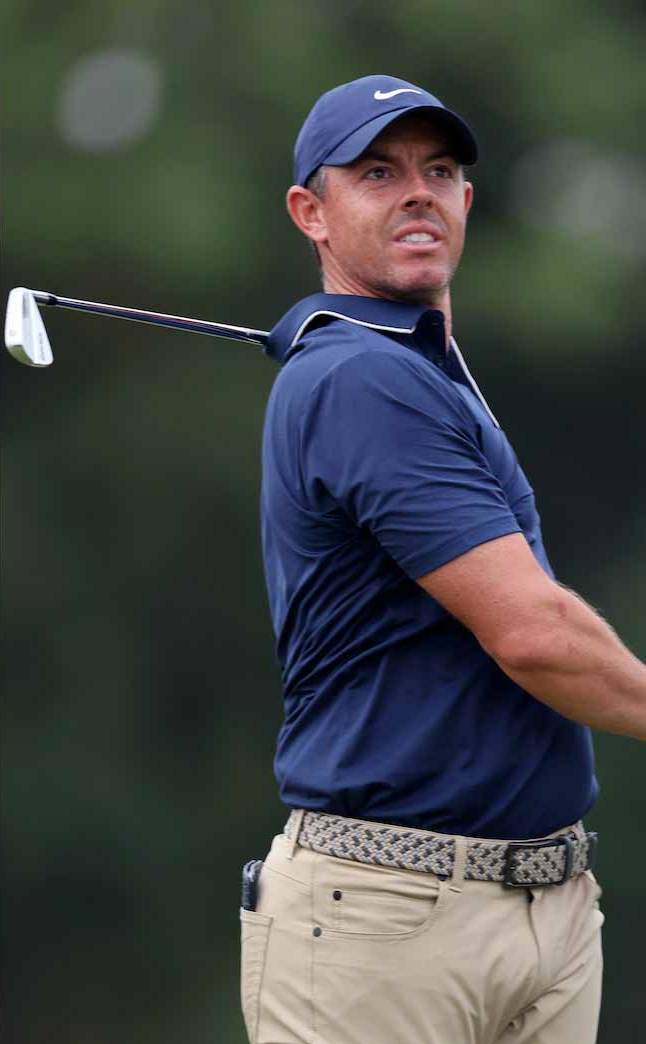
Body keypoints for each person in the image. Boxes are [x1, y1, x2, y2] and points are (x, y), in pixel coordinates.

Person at [240, 74, 646, 1044]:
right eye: (376, 173)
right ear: (311, 212)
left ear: (466, 201)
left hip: (543, 906)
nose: (416, 191)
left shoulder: (407, 368)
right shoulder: (362, 379)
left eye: (438, 171)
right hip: (384, 922)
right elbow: (531, 634)